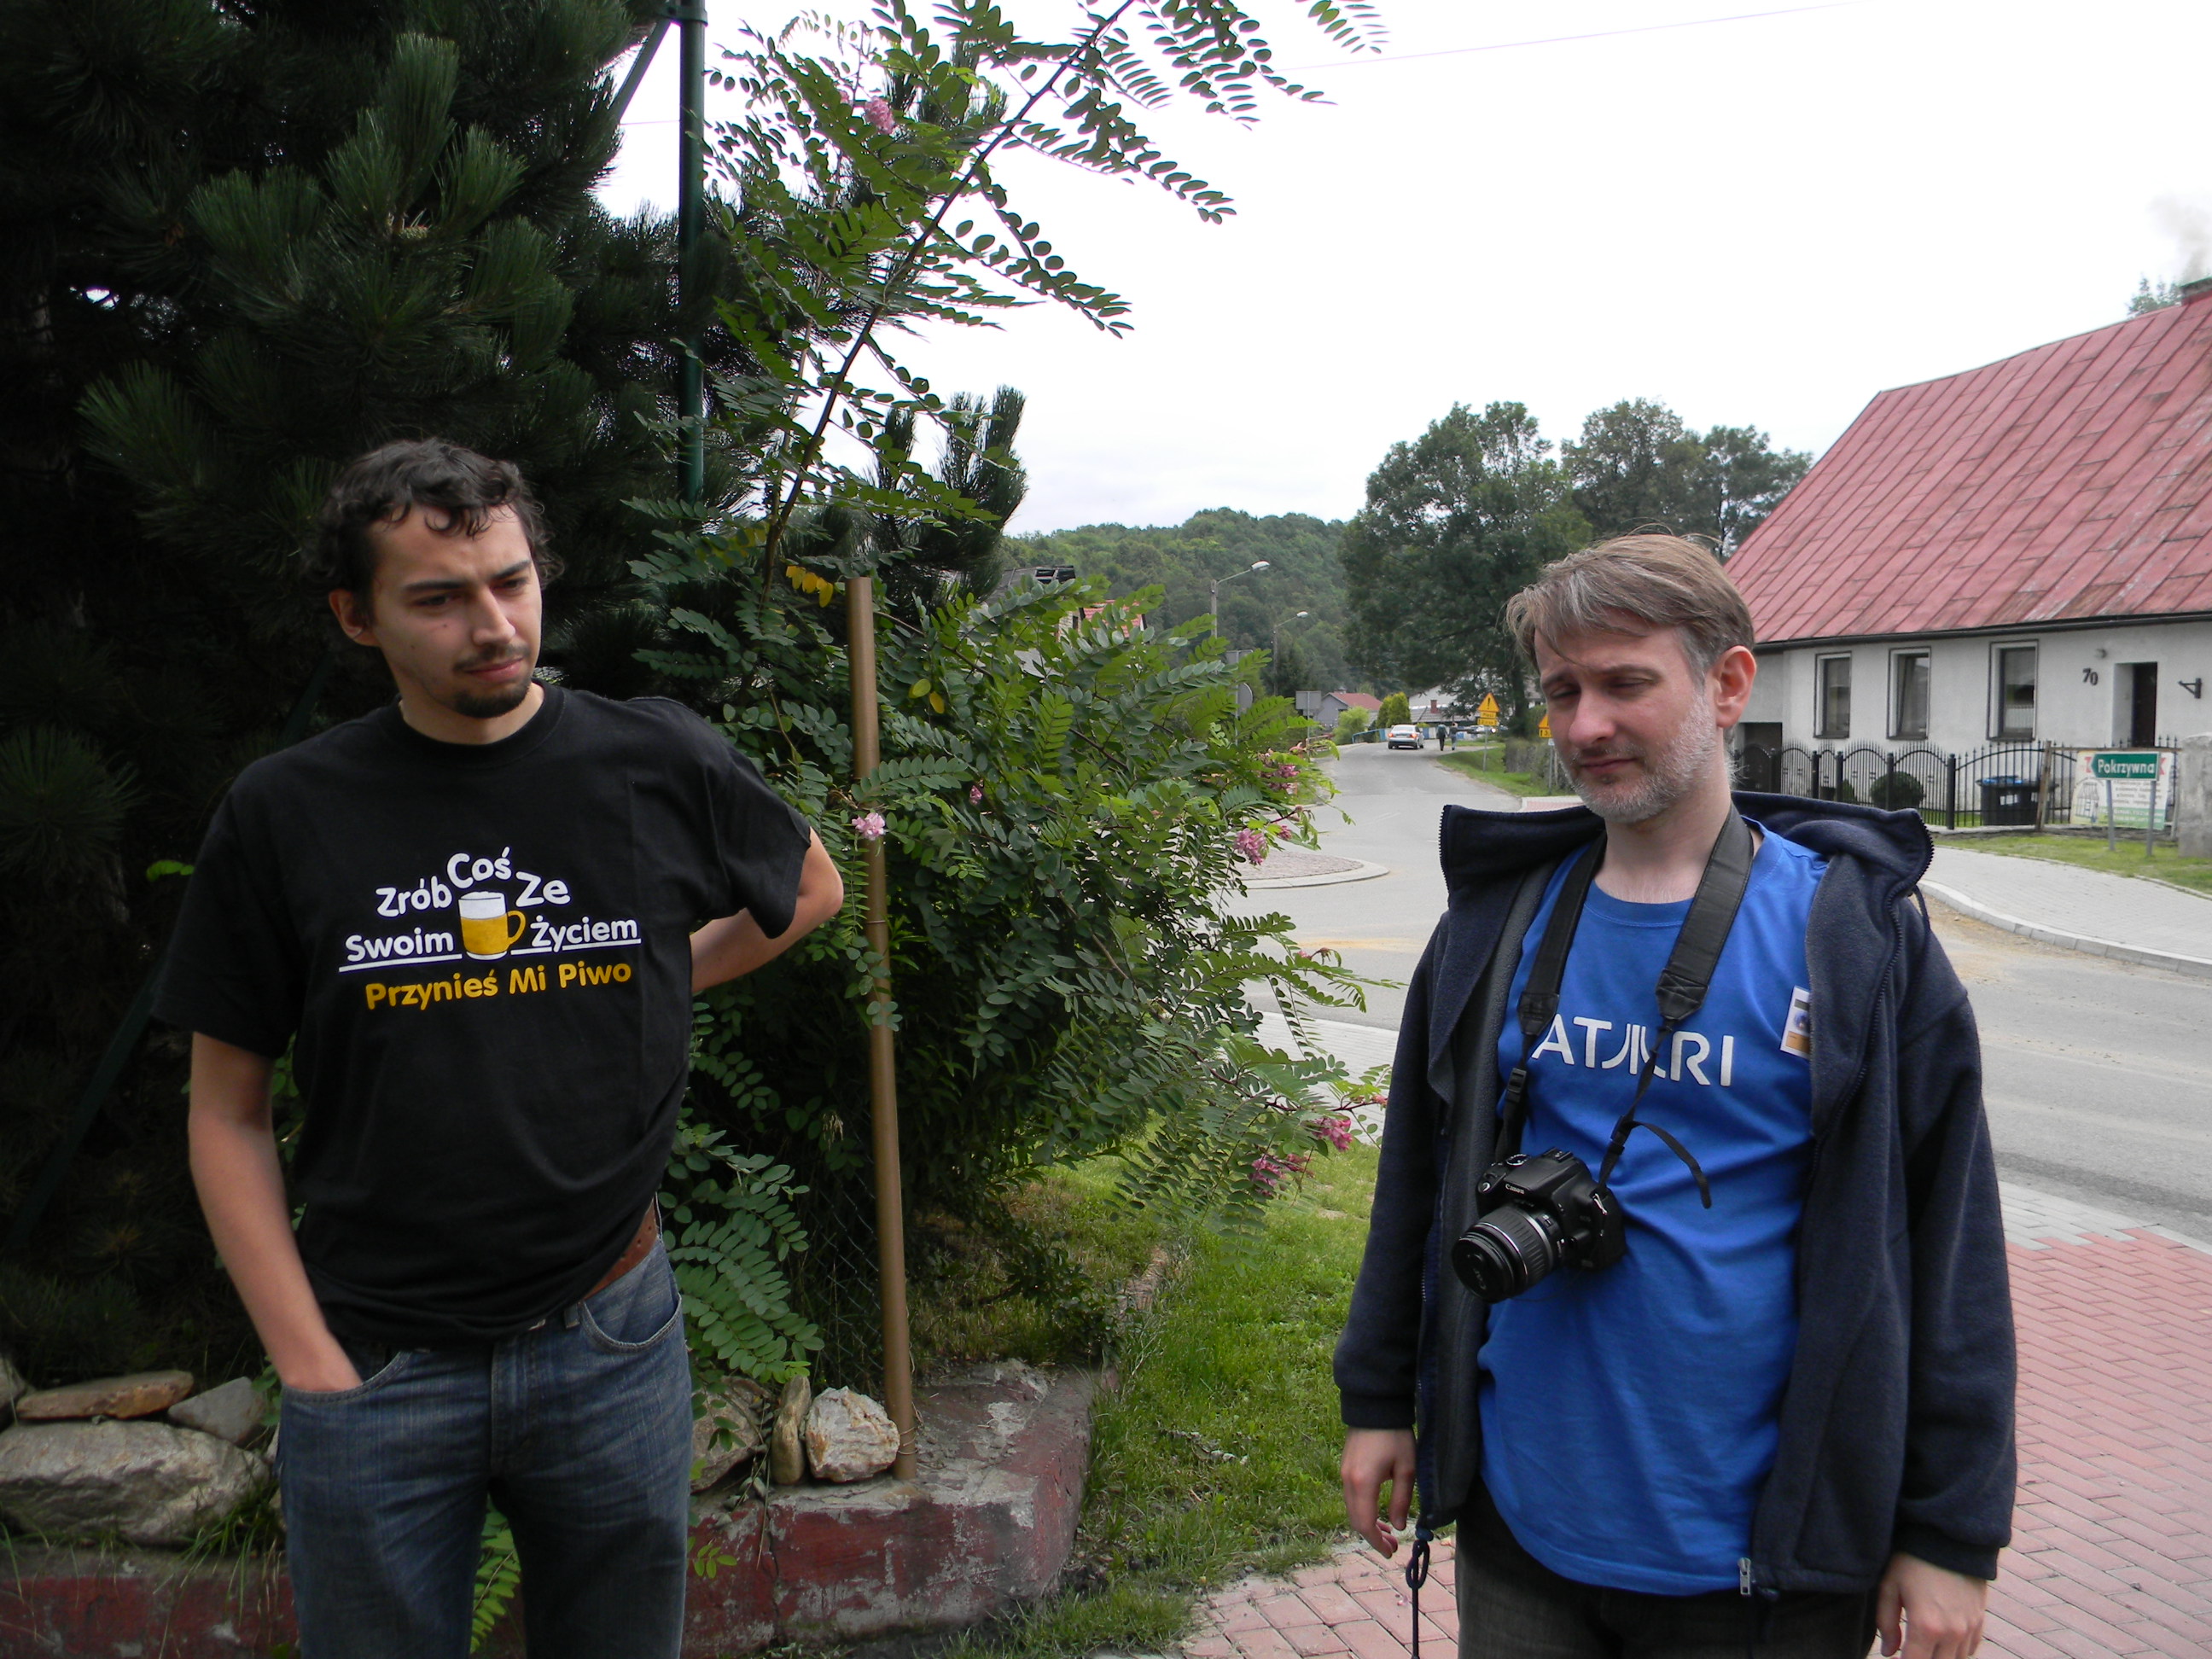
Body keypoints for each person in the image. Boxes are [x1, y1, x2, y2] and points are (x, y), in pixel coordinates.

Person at [157, 439, 844, 1658]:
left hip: (611, 1336)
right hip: (373, 1361)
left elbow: (811, 887)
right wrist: (304, 1363)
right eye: (438, 598)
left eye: (512, 582)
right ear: (355, 617)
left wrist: (646, 973)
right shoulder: (286, 812)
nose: (492, 625)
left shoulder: (653, 759)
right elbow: (225, 1111)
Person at [1334, 536, 2013, 1659]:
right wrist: (1377, 1400)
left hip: (1766, 1561)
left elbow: (1952, 1244)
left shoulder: (1855, 941)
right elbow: (1415, 1175)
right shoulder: (1494, 927)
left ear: (1728, 683)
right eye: (1563, 691)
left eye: (1625, 683)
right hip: (1524, 1529)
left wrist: (1951, 1531)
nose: (1586, 725)